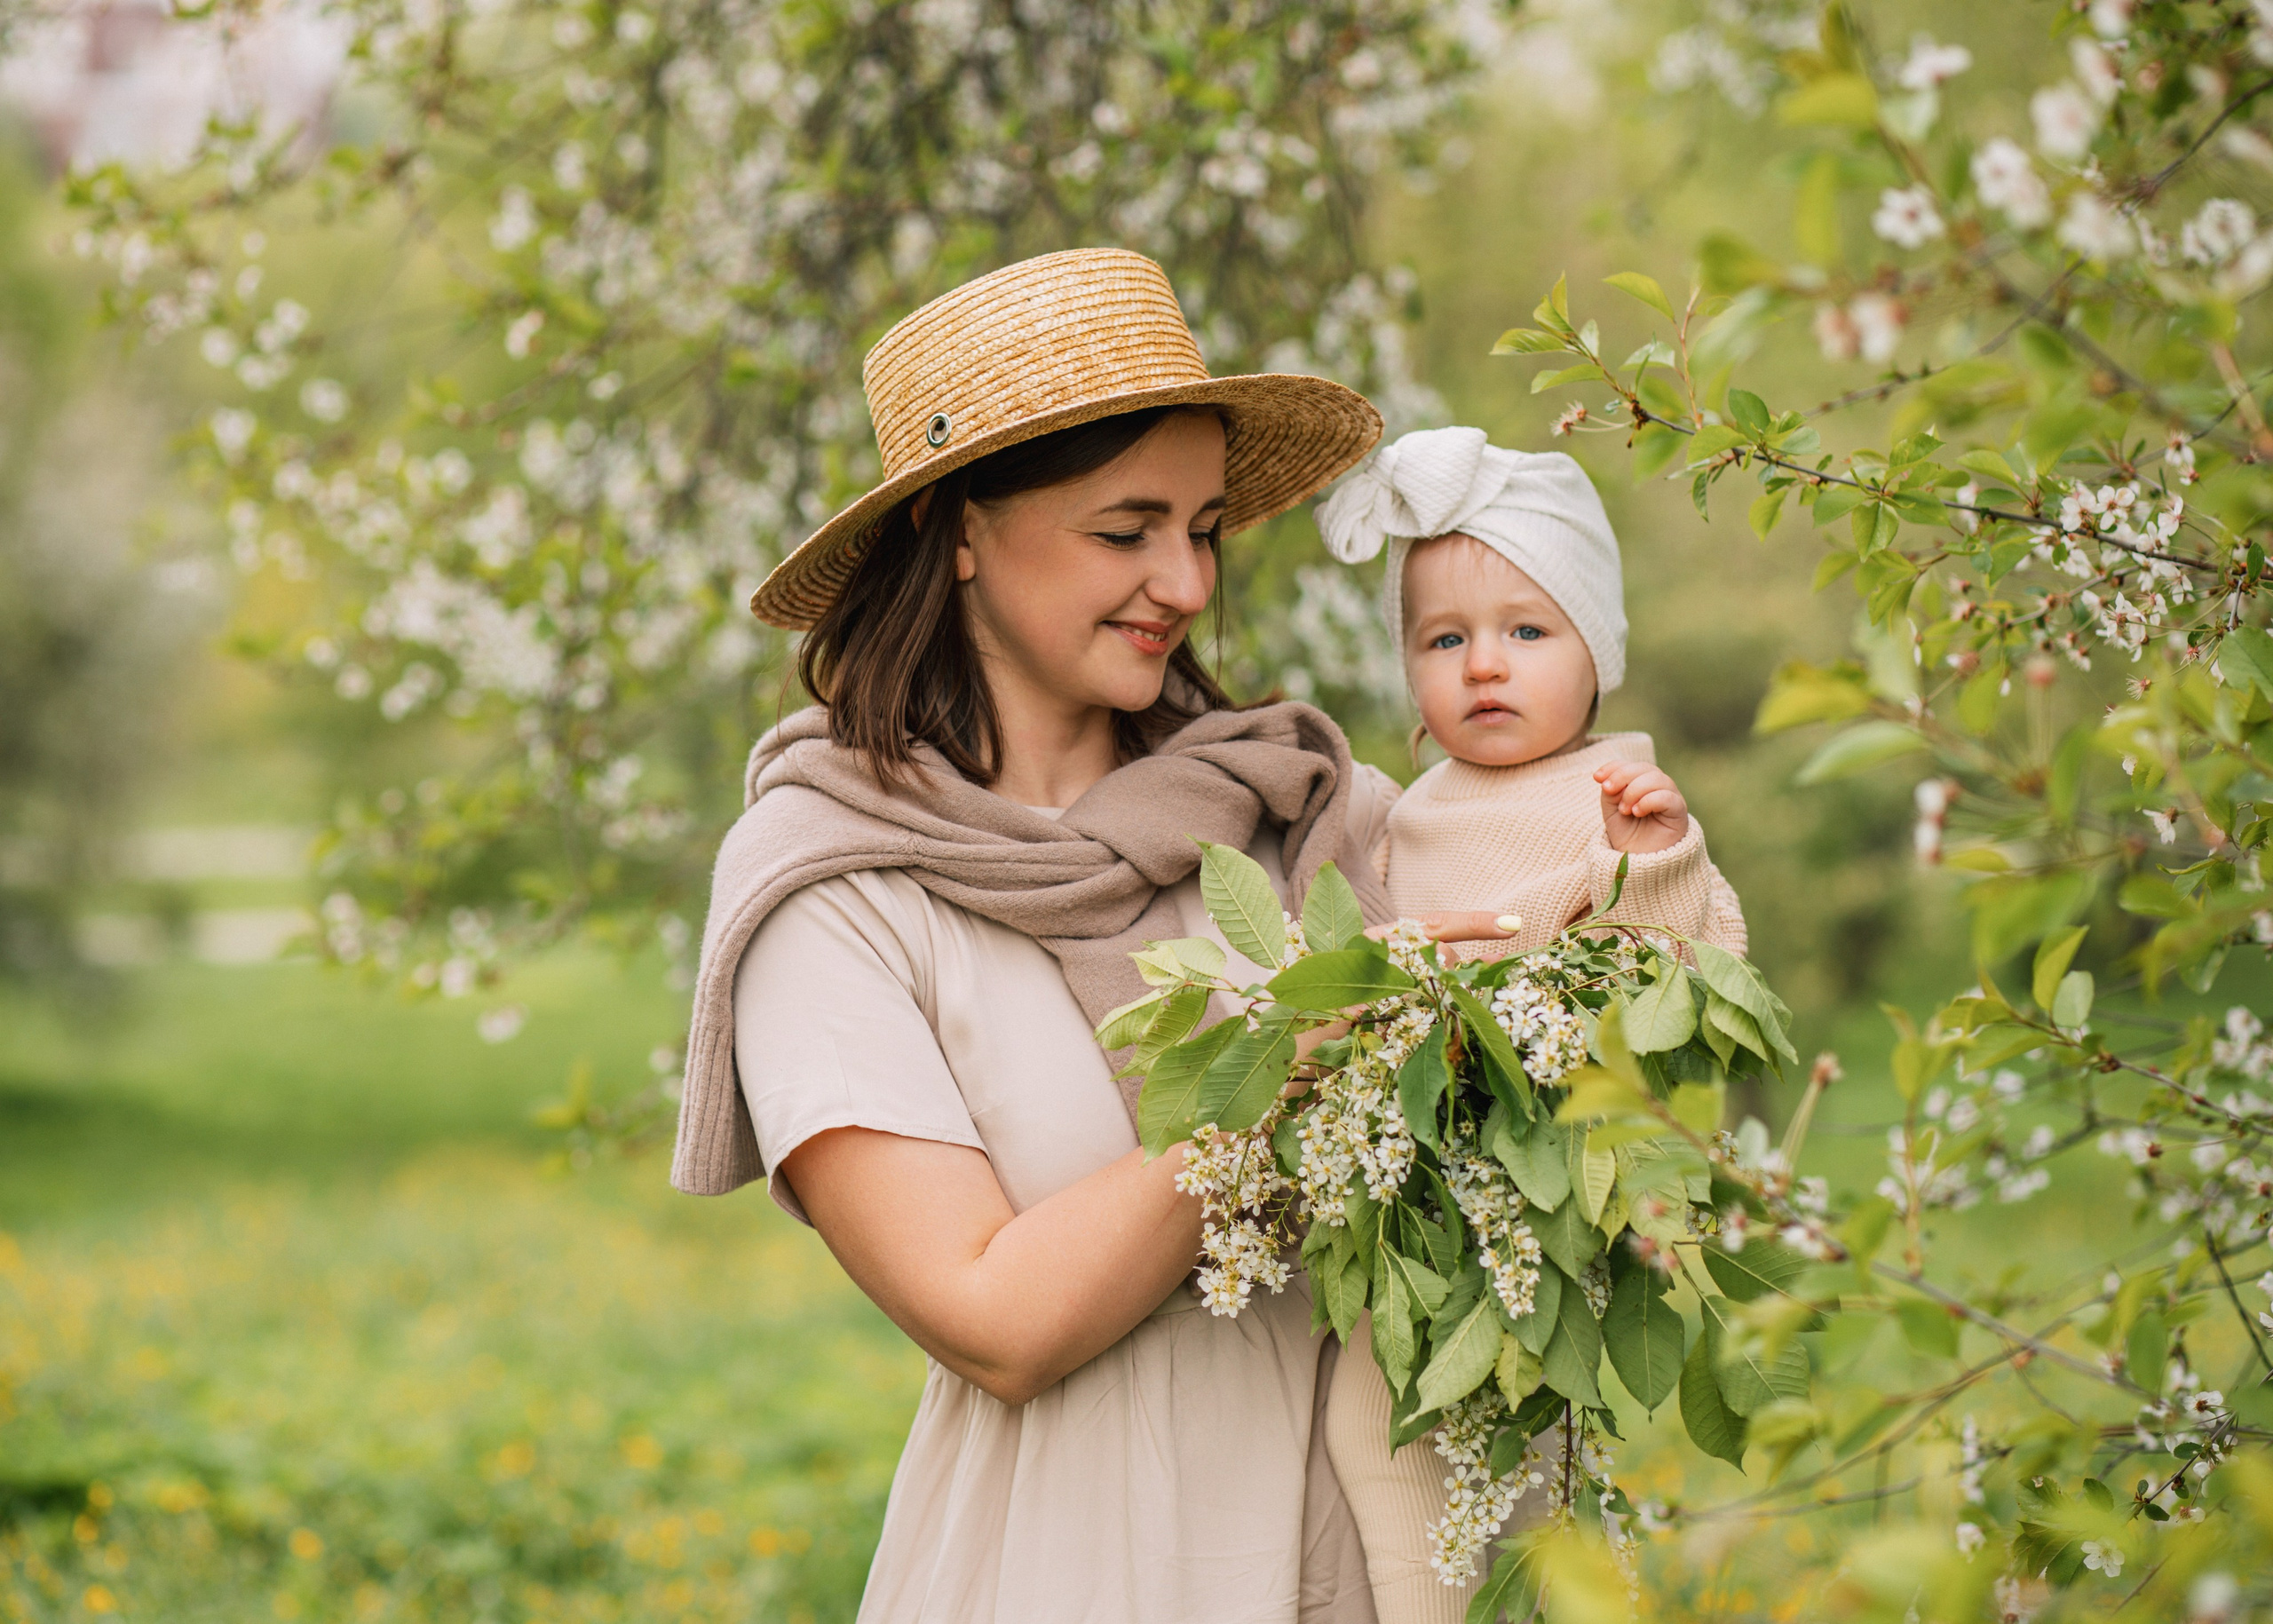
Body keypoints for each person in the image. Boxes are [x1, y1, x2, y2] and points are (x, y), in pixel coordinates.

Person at [670, 246, 1423, 1623]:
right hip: (1069, 1568)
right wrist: (1287, 1063)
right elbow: (996, 1321)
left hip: (1359, 1567)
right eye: (1125, 529)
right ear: (960, 529)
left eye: (1202, 528)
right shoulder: (838, 888)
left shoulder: (1293, 805)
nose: (1187, 585)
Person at [1311, 425, 1748, 1622]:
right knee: (1374, 1405)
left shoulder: (1614, 794)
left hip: (1551, 1184)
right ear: (1409, 668)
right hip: (1421, 1183)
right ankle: (1418, 1600)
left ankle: (1526, 1576)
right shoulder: (1412, 814)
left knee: (1515, 1401)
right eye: (1444, 639)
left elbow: (1684, 974)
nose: (1484, 664)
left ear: (1594, 652)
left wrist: (1654, 862)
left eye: (1525, 631)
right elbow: (1381, 966)